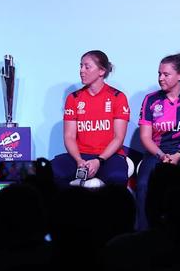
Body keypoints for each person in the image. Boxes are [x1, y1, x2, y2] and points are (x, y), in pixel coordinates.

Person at [136, 52, 180, 229]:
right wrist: (161, 155)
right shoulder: (151, 100)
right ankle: (145, 232)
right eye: (159, 74)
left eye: (166, 74)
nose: (161, 78)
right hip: (157, 153)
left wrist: (179, 155)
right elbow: (145, 136)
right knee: (143, 184)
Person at [51, 50, 130, 188]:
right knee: (51, 172)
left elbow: (119, 138)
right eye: (81, 66)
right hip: (80, 156)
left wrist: (99, 160)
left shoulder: (118, 97)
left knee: (117, 177)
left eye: (87, 67)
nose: (81, 70)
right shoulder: (73, 98)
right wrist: (78, 160)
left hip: (108, 156)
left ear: (101, 71)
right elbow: (69, 136)